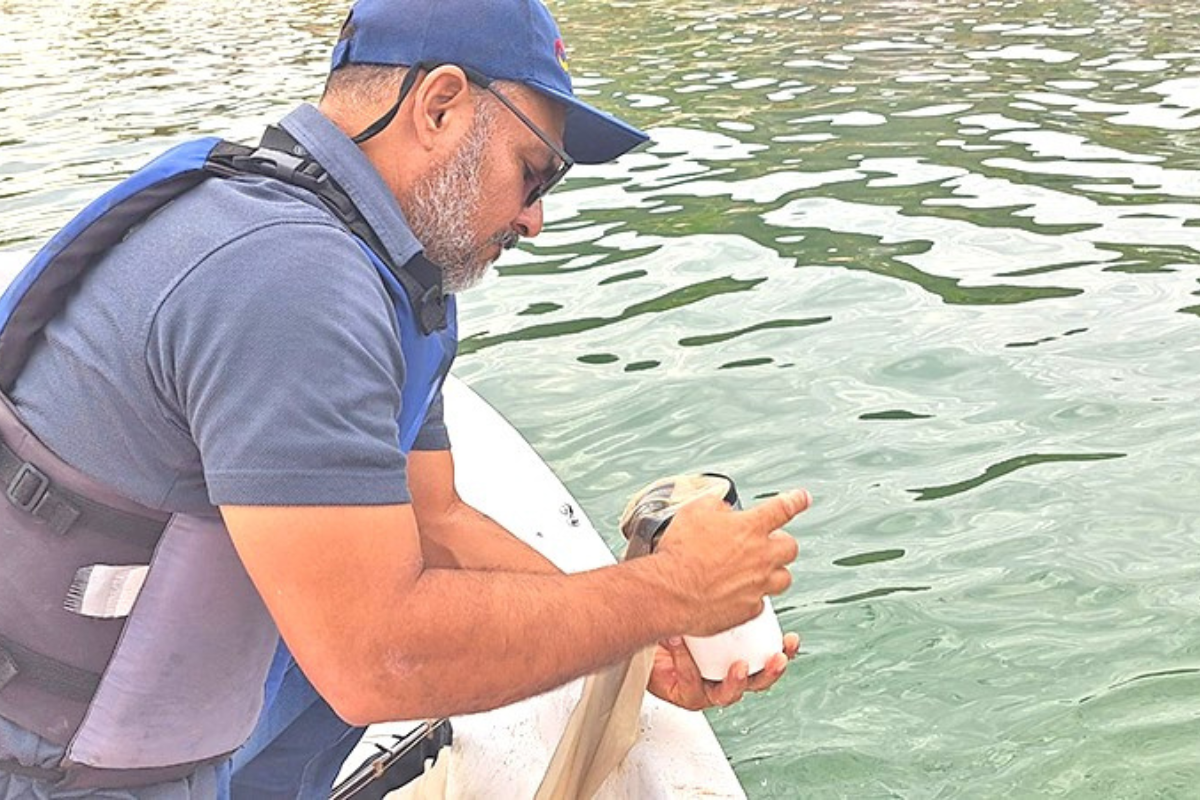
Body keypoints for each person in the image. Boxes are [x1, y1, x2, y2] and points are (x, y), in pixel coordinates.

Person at [0, 0, 810, 797]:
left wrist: (637, 637)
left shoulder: (389, 275)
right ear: (440, 105)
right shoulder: (288, 276)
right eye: (536, 171)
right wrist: (664, 592)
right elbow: (378, 658)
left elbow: (436, 518)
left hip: (168, 714)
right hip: (52, 762)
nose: (537, 219)